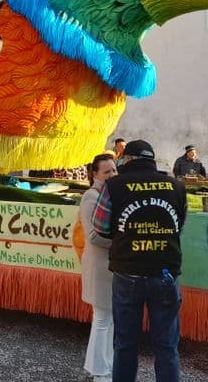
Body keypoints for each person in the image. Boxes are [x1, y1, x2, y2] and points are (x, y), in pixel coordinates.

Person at [93, 139, 188, 382]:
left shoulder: (114, 185)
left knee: (125, 345)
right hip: (165, 272)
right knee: (166, 346)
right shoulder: (176, 186)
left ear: (129, 160)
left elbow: (100, 227)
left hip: (128, 273)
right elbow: (179, 225)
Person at [80, 154, 118, 382]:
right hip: (99, 266)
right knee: (103, 319)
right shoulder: (91, 197)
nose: (113, 175)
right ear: (95, 174)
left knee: (107, 319)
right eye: (107, 172)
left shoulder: (108, 195)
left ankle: (102, 365)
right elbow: (93, 236)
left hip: (109, 266)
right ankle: (100, 372)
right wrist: (122, 243)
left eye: (114, 170)